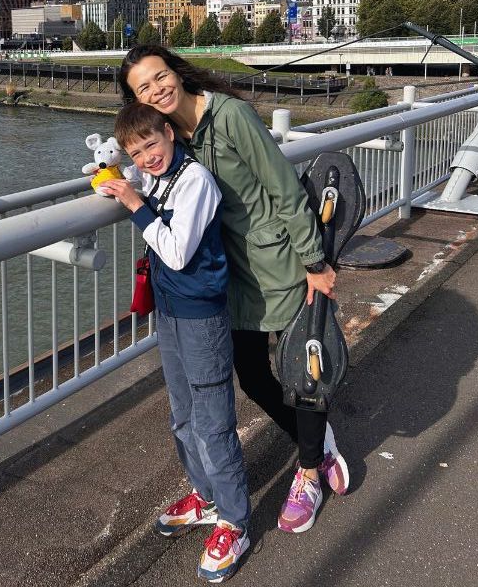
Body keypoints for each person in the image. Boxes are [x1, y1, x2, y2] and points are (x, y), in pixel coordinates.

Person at [118, 46, 349, 535]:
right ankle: (317, 443)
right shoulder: (168, 136)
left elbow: (284, 187)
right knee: (250, 372)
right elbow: (148, 170)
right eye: (144, 87)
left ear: (175, 73)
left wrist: (314, 262)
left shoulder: (230, 116)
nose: (156, 89)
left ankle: (308, 473)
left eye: (160, 77)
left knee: (301, 372)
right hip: (231, 275)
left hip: (277, 263)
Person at [99, 102, 251, 583]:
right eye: (136, 152)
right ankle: (206, 496)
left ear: (171, 133)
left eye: (152, 145)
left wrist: (133, 204)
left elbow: (178, 251)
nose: (147, 157)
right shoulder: (156, 178)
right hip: (170, 311)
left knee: (213, 421)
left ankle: (236, 520)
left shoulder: (196, 181)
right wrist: (118, 180)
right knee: (182, 413)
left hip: (201, 316)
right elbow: (139, 186)